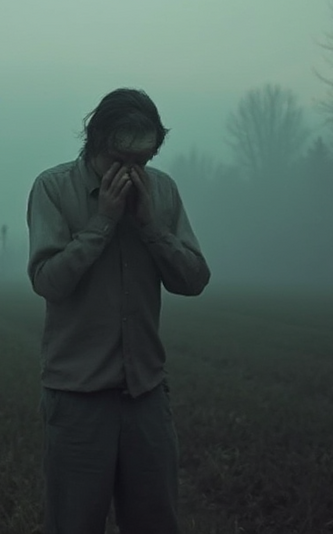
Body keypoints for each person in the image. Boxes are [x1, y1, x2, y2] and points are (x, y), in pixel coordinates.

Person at [26, 88, 211, 534]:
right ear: (95, 141)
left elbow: (194, 280)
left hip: (146, 395)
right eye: (119, 160)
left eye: (142, 162)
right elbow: (48, 280)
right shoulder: (53, 188)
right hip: (77, 399)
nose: (131, 174)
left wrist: (150, 226)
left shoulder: (162, 191)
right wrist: (103, 222)